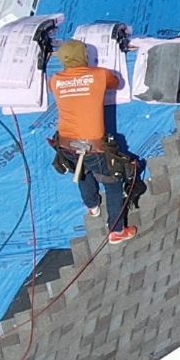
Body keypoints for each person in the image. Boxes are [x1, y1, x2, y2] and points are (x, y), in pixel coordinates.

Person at [47, 40, 136, 244]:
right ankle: (116, 230)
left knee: (82, 171)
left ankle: (92, 205)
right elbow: (117, 83)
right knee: (113, 182)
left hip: (66, 145)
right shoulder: (98, 75)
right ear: (84, 56)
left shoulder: (55, 80)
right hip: (94, 147)